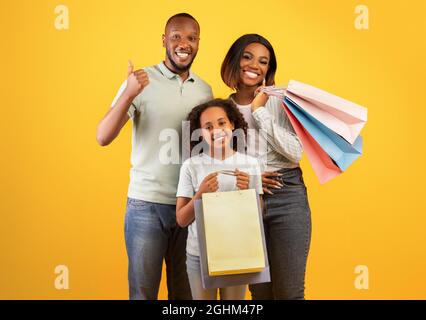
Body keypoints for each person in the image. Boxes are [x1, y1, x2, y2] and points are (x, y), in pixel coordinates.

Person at [96, 13, 213, 300]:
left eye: (191, 38)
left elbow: (207, 149)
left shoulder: (205, 90)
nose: (183, 43)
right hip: (145, 206)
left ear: (199, 43)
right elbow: (103, 136)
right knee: (143, 294)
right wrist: (128, 94)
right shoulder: (141, 81)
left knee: (186, 297)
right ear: (164, 40)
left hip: (189, 205)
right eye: (176, 36)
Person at [221, 34, 312, 299]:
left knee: (289, 292)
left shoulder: (282, 100)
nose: (254, 65)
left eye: (263, 61)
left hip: (287, 195)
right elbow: (220, 162)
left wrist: (259, 112)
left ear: (268, 69)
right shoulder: (223, 109)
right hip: (246, 198)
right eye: (247, 57)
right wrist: (251, 177)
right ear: (235, 61)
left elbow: (296, 151)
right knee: (259, 292)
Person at [175, 98, 263, 300]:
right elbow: (181, 219)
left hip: (238, 252)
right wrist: (200, 195)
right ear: (199, 133)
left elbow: (257, 216)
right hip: (199, 255)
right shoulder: (191, 166)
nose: (216, 130)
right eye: (208, 127)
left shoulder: (251, 164)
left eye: (222, 123)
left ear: (232, 124)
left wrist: (248, 190)